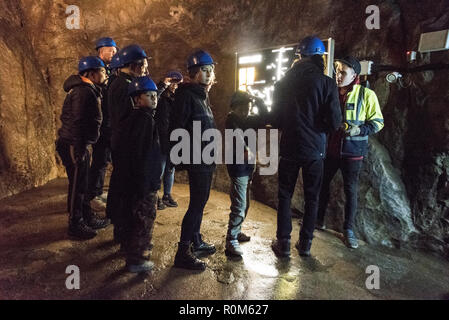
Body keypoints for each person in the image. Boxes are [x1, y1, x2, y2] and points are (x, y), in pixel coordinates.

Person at [271, 36, 342, 257]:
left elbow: (275, 119)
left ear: (299, 57)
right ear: (319, 57)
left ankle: (283, 243)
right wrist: (317, 128)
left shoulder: (283, 82)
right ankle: (305, 244)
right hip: (315, 150)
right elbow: (335, 122)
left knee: (284, 195)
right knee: (312, 197)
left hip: (290, 148)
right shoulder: (327, 83)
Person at [316, 56, 384, 249]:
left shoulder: (366, 95)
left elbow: (378, 122)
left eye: (343, 72)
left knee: (350, 191)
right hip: (329, 150)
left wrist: (359, 130)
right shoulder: (330, 92)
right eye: (337, 71)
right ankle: (318, 220)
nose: (338, 75)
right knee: (322, 186)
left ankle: (348, 230)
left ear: (354, 74)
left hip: (353, 152)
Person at [170, 50, 217, 270]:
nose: (208, 74)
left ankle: (196, 240)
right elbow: (178, 128)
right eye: (204, 71)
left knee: (202, 201)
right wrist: (181, 158)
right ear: (194, 73)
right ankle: (183, 252)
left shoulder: (201, 95)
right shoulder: (186, 95)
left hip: (205, 157)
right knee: (196, 204)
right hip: (197, 158)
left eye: (210, 70)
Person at [56, 56, 109, 239]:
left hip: (77, 143)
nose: (105, 74)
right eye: (102, 71)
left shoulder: (87, 89)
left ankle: (86, 216)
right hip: (74, 143)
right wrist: (79, 148)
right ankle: (75, 224)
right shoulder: (82, 91)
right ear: (92, 73)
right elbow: (78, 121)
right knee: (79, 184)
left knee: (81, 183)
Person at [113, 76, 162, 273]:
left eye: (155, 95)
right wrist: (147, 183)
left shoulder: (133, 119)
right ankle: (137, 259)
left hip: (135, 181)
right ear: (136, 99)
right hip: (144, 183)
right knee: (144, 219)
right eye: (148, 95)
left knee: (134, 217)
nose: (153, 98)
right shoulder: (144, 121)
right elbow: (142, 155)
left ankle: (131, 248)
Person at [106, 44, 150, 244]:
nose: (145, 68)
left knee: (120, 184)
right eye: (143, 64)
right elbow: (128, 118)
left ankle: (119, 228)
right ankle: (124, 232)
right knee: (126, 189)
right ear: (135, 65)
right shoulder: (125, 86)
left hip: (119, 141)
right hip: (126, 143)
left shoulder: (118, 82)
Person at [224, 91, 269, 257]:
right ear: (234, 107)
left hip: (248, 168)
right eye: (242, 107)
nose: (245, 111)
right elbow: (236, 137)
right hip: (238, 168)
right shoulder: (232, 119)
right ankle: (231, 239)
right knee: (239, 205)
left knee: (245, 204)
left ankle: (237, 231)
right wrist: (245, 150)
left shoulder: (249, 120)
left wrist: (258, 100)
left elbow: (265, 118)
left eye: (248, 108)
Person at [87, 37, 118, 211]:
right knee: (100, 160)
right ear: (100, 50)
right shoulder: (96, 69)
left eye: (115, 51)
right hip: (101, 124)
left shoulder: (109, 69)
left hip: (107, 122)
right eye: (110, 50)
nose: (114, 53)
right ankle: (93, 194)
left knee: (103, 160)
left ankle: (96, 191)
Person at [155, 71, 183, 210]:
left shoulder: (177, 99)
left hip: (173, 139)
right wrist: (162, 84)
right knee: (159, 169)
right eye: (172, 83)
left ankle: (167, 195)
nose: (174, 86)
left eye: (177, 84)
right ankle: (155, 196)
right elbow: (154, 95)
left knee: (170, 169)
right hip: (161, 138)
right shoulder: (160, 98)